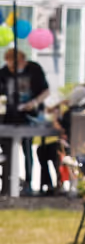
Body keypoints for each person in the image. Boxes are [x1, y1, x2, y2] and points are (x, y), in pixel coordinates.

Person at [1, 48, 52, 192]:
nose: (12, 69)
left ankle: (29, 182)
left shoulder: (34, 69)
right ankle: (8, 181)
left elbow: (46, 91)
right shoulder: (3, 73)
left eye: (14, 66)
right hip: (9, 116)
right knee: (7, 148)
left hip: (31, 115)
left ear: (22, 61)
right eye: (9, 66)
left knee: (27, 147)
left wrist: (34, 103)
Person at [38, 78, 85, 192]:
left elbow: (60, 129)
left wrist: (56, 114)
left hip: (71, 151)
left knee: (42, 150)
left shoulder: (71, 113)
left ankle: (51, 184)